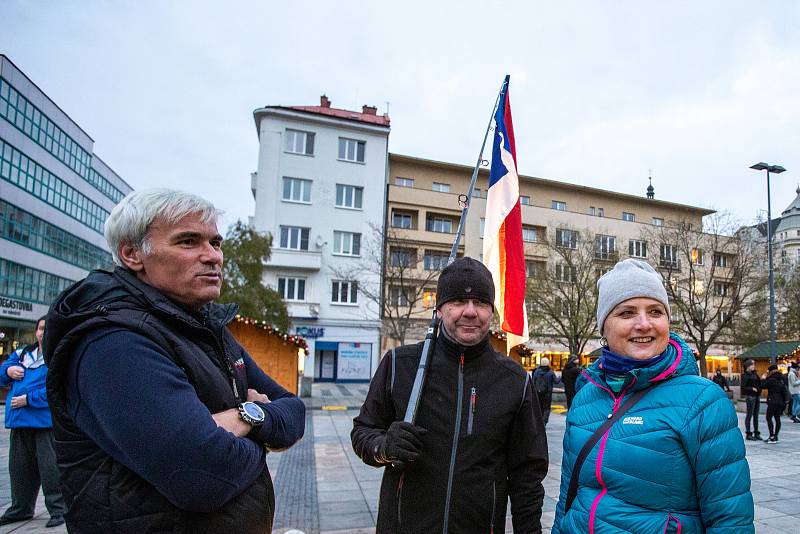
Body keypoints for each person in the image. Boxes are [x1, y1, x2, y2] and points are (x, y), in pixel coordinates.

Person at [43, 189, 306, 533]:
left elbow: (294, 411)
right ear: (132, 253)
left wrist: (244, 418)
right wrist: (262, 435)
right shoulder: (113, 341)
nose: (213, 256)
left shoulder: (205, 327)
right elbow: (202, 475)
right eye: (188, 242)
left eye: (216, 243)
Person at [552, 259, 753, 533]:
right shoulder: (586, 396)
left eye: (655, 311)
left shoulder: (703, 400)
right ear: (604, 328)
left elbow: (731, 519)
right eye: (627, 313)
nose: (644, 324)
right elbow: (568, 494)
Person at [351, 257, 549, 533]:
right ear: (440, 309)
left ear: (491, 311)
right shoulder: (400, 364)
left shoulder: (514, 381)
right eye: (457, 301)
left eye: (481, 303)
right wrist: (383, 447)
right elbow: (363, 431)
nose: (470, 312)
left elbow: (527, 474)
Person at [0, 317, 66, 528]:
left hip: (44, 424)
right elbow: (3, 373)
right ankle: (20, 508)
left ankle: (58, 509)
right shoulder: (22, 355)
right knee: (19, 469)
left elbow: (56, 388)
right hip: (20, 423)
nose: (42, 333)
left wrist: (28, 400)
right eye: (40, 328)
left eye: (46, 329)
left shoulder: (57, 356)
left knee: (50, 469)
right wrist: (8, 371)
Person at [762, 364, 789, 443]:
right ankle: (776, 436)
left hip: (772, 400)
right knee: (777, 418)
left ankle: (771, 436)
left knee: (769, 417)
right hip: (780, 401)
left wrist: (763, 379)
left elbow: (763, 386)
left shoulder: (771, 379)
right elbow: (785, 389)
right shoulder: (782, 378)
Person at [532, 357, 558, 424]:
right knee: (546, 408)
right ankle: (544, 421)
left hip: (538, 392)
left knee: (539, 407)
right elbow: (556, 381)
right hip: (547, 393)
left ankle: (539, 421)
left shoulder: (537, 371)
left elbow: (533, 381)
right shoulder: (550, 372)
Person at [741, 359, 762, 441]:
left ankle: (756, 432)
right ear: (748, 366)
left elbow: (759, 383)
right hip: (750, 396)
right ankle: (748, 433)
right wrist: (752, 389)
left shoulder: (755, 375)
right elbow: (743, 387)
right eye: (752, 365)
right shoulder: (745, 376)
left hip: (757, 396)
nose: (754, 366)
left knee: (756, 415)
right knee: (749, 415)